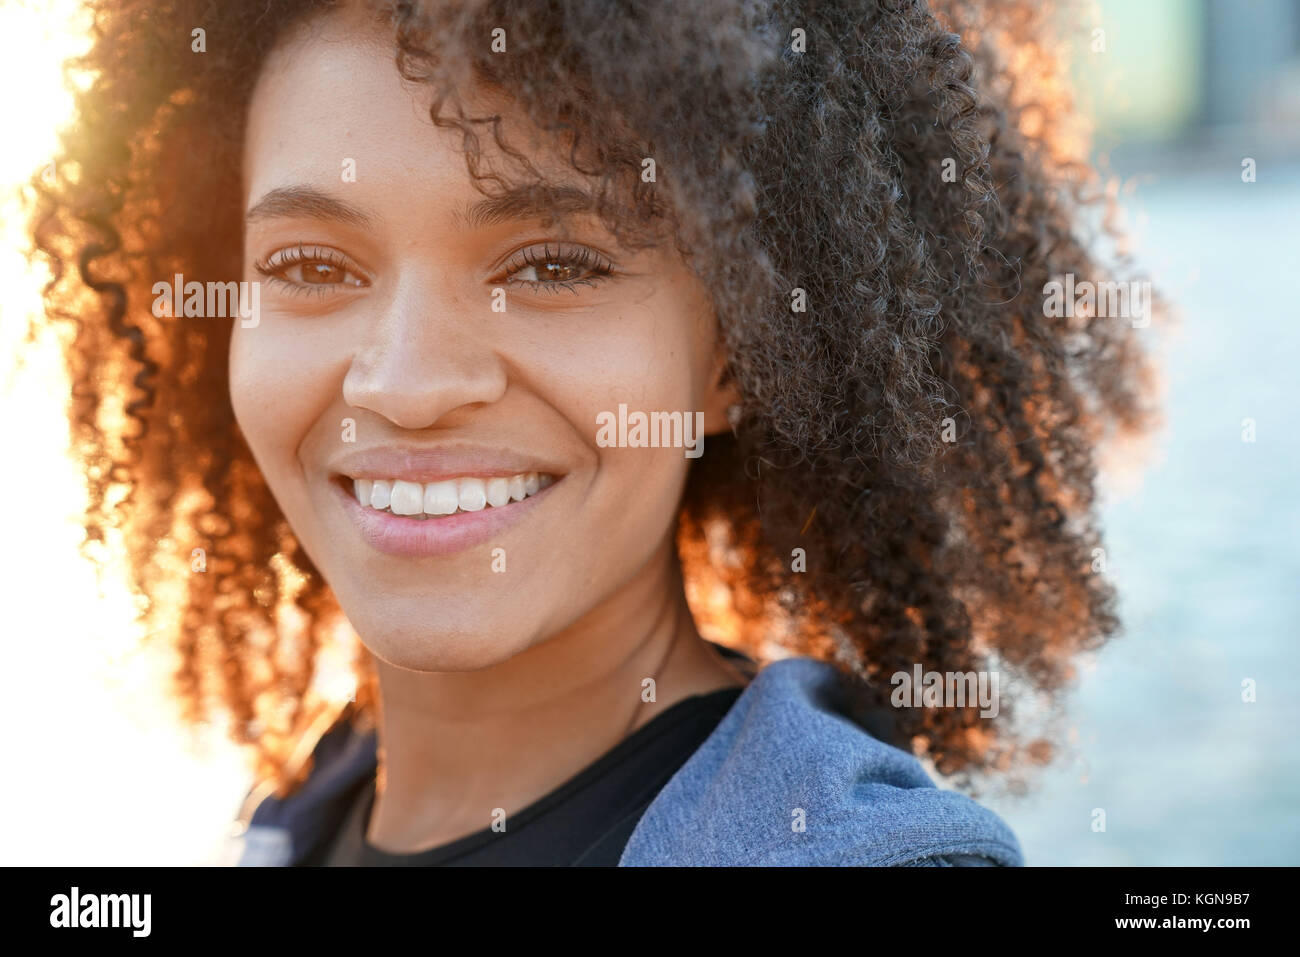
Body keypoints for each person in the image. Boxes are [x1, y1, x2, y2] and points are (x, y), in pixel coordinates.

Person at [30, 0, 1153, 866]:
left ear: (735, 356)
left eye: (552, 265)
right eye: (311, 268)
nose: (410, 382)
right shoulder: (304, 809)